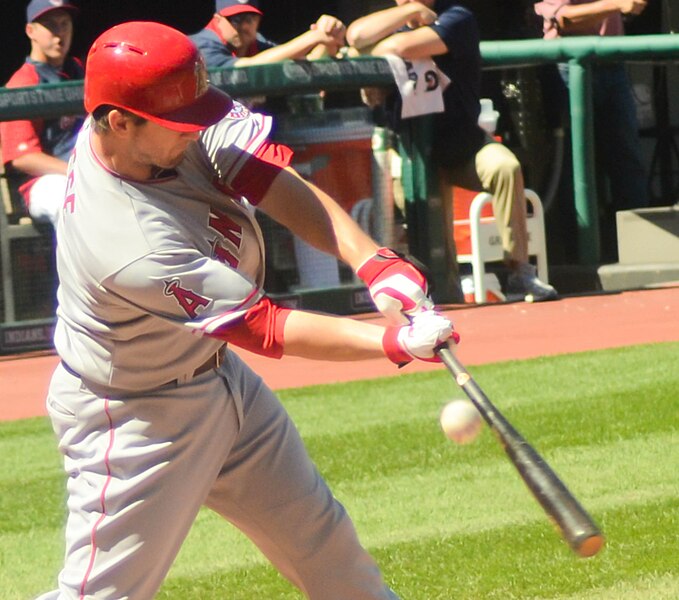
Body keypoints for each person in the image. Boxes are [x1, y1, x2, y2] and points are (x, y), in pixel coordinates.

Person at [36, 21, 457, 600]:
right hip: (136, 418)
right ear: (119, 122)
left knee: (327, 548)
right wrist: (391, 343)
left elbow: (264, 177)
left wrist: (373, 261)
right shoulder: (125, 241)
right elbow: (264, 326)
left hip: (220, 380)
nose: (197, 130)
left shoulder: (150, 124)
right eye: (179, 125)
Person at [346, 0, 559, 302]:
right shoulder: (392, 20)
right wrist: (407, 13)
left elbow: (401, 47)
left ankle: (519, 271)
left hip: (461, 142)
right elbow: (356, 36)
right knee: (435, 241)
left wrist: (371, 50)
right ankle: (447, 299)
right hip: (411, 152)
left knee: (505, 167)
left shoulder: (457, 17)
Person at [534, 0, 650, 262]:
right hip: (566, 67)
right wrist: (618, 4)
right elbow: (564, 19)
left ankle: (639, 256)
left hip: (612, 63)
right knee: (574, 170)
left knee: (628, 164)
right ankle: (578, 263)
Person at [0, 0, 83, 228]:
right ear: (31, 31)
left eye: (64, 24)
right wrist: (79, 174)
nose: (60, 33)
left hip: (87, 173)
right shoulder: (22, 83)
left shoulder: (79, 69)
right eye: (51, 25)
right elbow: (23, 158)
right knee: (68, 200)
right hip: (44, 183)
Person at [190, 0, 346, 69]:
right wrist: (312, 38)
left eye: (250, 19)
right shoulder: (199, 47)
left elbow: (307, 61)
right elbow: (246, 68)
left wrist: (328, 37)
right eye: (236, 19)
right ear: (217, 20)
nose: (244, 26)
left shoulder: (258, 43)